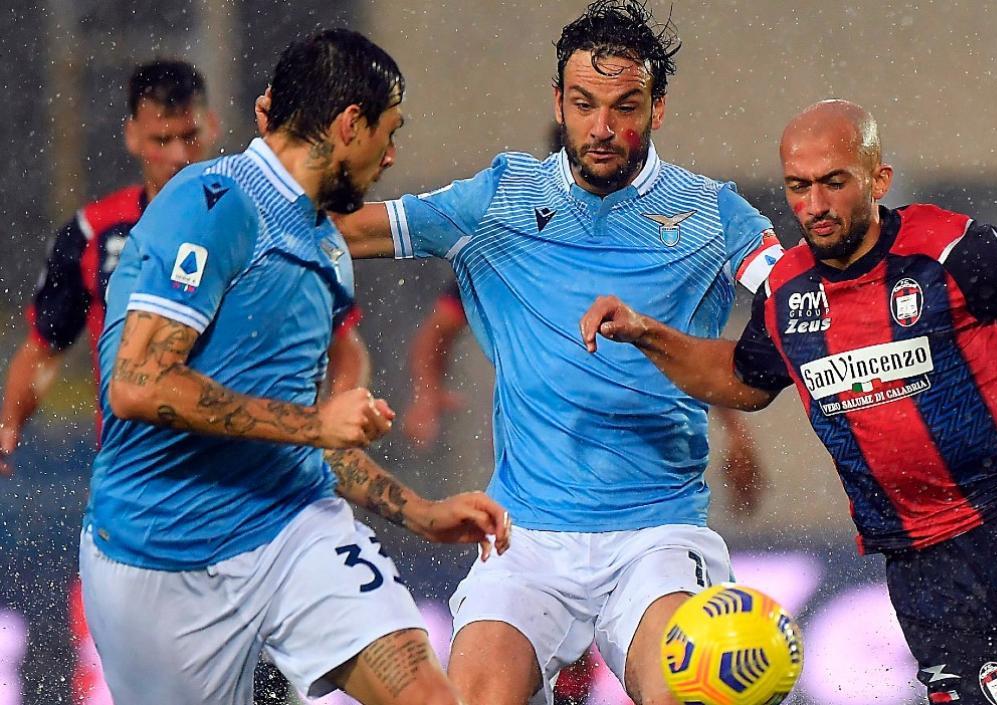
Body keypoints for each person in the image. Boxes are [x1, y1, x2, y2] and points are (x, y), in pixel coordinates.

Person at [580, 99, 997, 705]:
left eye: (833, 182)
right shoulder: (787, 293)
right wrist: (646, 334)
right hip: (934, 579)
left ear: (878, 180)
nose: (815, 205)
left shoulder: (952, 251)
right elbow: (741, 379)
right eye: (798, 186)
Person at [320, 3, 785, 703]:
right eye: (584, 104)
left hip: (658, 533)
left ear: (657, 109)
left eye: (625, 107)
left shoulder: (713, 214)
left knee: (682, 693)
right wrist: (261, 190)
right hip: (526, 537)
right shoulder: (497, 200)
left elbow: (804, 303)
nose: (602, 128)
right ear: (558, 102)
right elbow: (340, 232)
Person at [80, 29, 509, 705]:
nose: (391, 156)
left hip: (293, 528)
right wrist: (316, 423)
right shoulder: (214, 202)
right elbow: (138, 385)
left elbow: (306, 438)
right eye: (389, 133)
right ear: (349, 125)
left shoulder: (325, 244)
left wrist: (420, 512)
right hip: (160, 554)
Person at [0, 59, 370, 476]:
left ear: (212, 126)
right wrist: (8, 428)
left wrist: (332, 430)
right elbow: (43, 350)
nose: (178, 155)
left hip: (251, 474)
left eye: (189, 136)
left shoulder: (267, 220)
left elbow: (344, 347)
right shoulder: (92, 232)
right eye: (162, 139)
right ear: (132, 136)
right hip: (138, 472)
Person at [404, 281, 766, 512]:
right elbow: (439, 329)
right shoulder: (514, 245)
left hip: (643, 459)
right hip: (543, 458)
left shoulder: (648, 247)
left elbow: (684, 349)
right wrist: (426, 392)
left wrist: (737, 434)